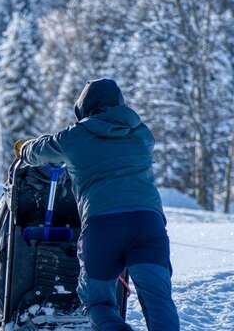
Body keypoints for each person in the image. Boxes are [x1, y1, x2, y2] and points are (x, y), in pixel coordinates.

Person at [16, 79, 179, 330]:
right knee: (158, 301)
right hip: (148, 224)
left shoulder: (73, 137)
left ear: (84, 108)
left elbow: (39, 152)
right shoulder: (141, 134)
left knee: (99, 302)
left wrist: (24, 148)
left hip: (103, 225)